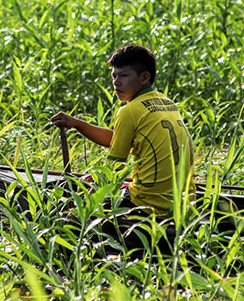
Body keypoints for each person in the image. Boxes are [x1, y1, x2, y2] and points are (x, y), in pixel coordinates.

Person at [50, 44, 195, 216]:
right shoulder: (167, 103)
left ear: (144, 78)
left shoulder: (130, 111)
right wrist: (76, 123)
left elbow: (113, 170)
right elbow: (119, 139)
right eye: (114, 76)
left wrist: (85, 203)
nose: (116, 83)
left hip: (149, 205)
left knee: (85, 192)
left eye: (124, 75)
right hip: (186, 203)